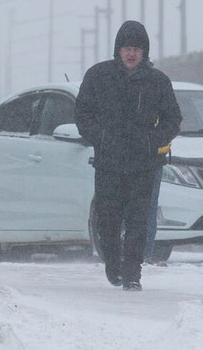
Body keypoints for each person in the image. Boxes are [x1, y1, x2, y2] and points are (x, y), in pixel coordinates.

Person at [74, 20, 181, 291]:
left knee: (138, 221)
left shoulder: (158, 82)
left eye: (136, 49)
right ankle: (112, 262)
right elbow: (82, 115)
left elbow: (173, 120)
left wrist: (152, 140)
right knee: (107, 220)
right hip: (108, 164)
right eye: (126, 48)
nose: (131, 54)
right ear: (118, 50)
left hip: (143, 164)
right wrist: (102, 138)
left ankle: (132, 273)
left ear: (144, 52)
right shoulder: (99, 77)